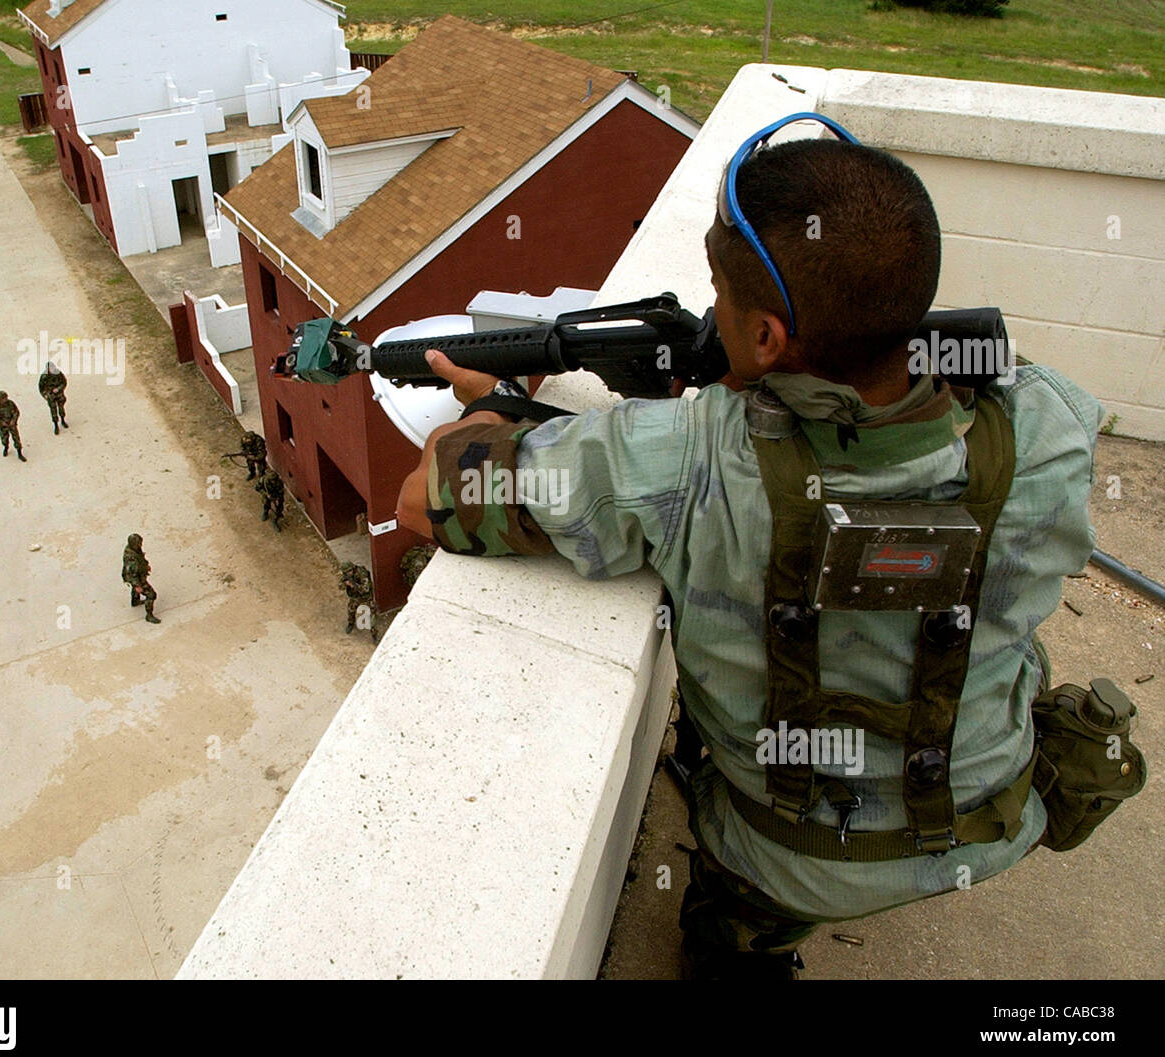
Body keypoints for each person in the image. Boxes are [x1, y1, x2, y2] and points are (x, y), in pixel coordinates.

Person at [396, 117, 1102, 979]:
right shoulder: (1052, 429)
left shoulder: (681, 458)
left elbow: (427, 501)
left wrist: (495, 406)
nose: (708, 314)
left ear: (766, 336)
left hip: (788, 865)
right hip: (991, 819)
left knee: (732, 935)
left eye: (720, 300)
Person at [122, 534, 160, 624]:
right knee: (151, 595)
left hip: (138, 575)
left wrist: (145, 566)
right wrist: (137, 585)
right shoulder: (131, 559)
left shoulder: (133, 549)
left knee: (136, 590)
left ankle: (135, 601)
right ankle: (149, 615)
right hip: (138, 579)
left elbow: (140, 559)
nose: (140, 545)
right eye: (139, 543)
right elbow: (132, 574)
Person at [339, 562, 375, 637]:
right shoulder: (346, 575)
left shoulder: (362, 574)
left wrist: (353, 585)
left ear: (352, 569)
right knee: (351, 609)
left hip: (366, 597)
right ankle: (351, 623)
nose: (348, 573)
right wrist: (345, 584)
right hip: (355, 596)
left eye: (349, 571)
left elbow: (366, 589)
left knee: (371, 614)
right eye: (346, 572)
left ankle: (374, 633)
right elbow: (340, 586)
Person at [0, 391, 25, 462]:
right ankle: (6, 447)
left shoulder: (11, 403)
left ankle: (19, 453)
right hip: (3, 426)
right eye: (3, 399)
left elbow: (16, 412)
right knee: (4, 438)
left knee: (16, 439)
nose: (5, 400)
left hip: (12, 424)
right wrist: (1, 422)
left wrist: (13, 421)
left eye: (5, 398)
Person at [38, 361, 68, 434]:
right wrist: (45, 395)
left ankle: (63, 420)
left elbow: (64, 382)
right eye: (50, 368)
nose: (52, 370)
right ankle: (56, 425)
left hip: (59, 394)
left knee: (61, 408)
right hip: (51, 396)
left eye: (52, 368)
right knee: (53, 411)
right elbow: (41, 388)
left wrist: (58, 389)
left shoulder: (58, 373)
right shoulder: (44, 376)